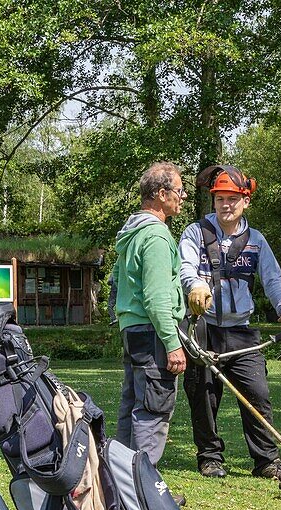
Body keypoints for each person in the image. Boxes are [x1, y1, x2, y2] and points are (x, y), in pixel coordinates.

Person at [179, 165, 281, 481]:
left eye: (233, 199)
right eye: (220, 198)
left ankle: (267, 462)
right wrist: (194, 286)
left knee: (257, 394)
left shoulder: (257, 241)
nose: (225, 205)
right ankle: (209, 458)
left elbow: (273, 279)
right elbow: (185, 267)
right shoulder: (196, 233)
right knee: (203, 395)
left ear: (245, 201)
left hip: (242, 332)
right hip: (203, 329)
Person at [112, 162, 188, 466]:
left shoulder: (132, 233)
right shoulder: (156, 236)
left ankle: (120, 484)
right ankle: (144, 493)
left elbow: (116, 284)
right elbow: (157, 298)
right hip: (153, 331)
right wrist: (172, 342)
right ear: (160, 194)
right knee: (153, 409)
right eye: (179, 191)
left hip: (133, 330)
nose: (182, 198)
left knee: (133, 405)